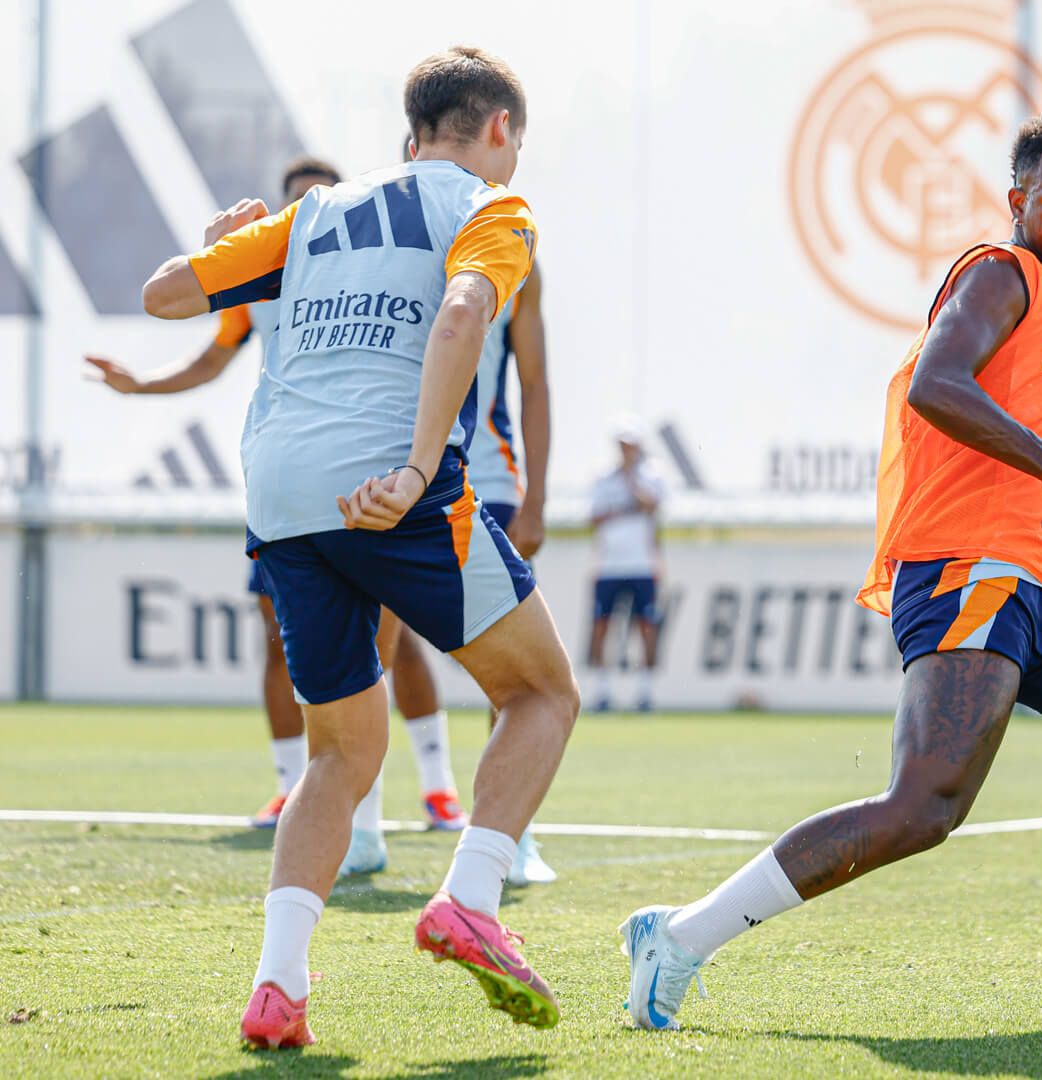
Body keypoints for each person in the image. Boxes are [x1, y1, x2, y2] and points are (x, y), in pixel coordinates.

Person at [618, 112, 1042, 1031]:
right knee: (923, 808)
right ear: (1018, 202)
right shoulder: (999, 273)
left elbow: (1031, 470)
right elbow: (937, 382)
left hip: (1031, 585)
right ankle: (681, 937)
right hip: (967, 573)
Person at [140, 46, 578, 1045]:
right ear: (500, 130)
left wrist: (220, 239)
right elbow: (466, 310)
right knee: (542, 692)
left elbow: (165, 293)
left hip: (281, 496)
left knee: (338, 755)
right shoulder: (490, 207)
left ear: (408, 134)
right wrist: (421, 468)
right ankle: (471, 896)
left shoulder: (315, 216)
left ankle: (279, 986)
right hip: (389, 489)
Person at [85, 157, 470, 843]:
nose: (307, 215)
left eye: (316, 202)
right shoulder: (263, 276)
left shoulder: (372, 267)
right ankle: (300, 793)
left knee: (392, 646)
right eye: (294, 204)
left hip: (364, 476)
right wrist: (140, 386)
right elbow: (209, 353)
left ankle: (434, 791)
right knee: (287, 647)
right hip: (288, 486)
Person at [405, 129, 559, 886]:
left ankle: (509, 831)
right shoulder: (386, 235)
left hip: (485, 472)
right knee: (380, 646)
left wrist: (537, 493)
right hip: (389, 468)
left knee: (517, 672)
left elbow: (534, 381)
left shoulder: (506, 236)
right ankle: (361, 827)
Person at [584, 427, 666, 712]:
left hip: (642, 564)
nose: (625, 452)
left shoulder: (652, 475)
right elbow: (594, 517)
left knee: (646, 627)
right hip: (608, 566)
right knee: (602, 626)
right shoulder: (603, 478)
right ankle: (602, 691)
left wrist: (631, 480)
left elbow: (652, 505)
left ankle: (646, 692)